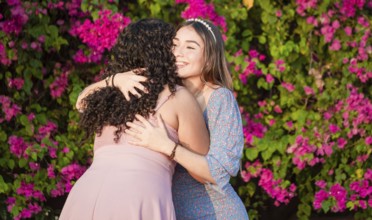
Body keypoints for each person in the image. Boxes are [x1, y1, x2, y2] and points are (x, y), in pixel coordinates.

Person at [59, 18, 209, 220]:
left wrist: (112, 80)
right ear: (161, 52)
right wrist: (169, 148)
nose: (177, 52)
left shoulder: (108, 95)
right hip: (137, 197)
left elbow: (80, 102)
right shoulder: (177, 96)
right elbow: (206, 171)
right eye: (173, 45)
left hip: (85, 194)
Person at [124, 18, 249, 219]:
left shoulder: (219, 98)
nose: (178, 53)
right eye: (174, 45)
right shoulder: (165, 93)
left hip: (214, 213)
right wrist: (115, 80)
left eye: (190, 47)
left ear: (209, 58)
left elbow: (218, 173)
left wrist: (168, 147)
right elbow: (81, 103)